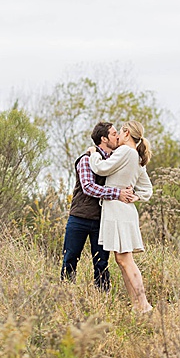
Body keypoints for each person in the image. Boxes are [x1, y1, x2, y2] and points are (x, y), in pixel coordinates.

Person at [61, 122, 137, 293]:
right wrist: (117, 193)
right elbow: (88, 187)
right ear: (104, 139)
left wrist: (132, 190)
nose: (118, 136)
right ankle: (65, 295)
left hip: (102, 220)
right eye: (114, 133)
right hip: (79, 218)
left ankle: (103, 298)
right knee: (70, 258)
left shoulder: (115, 159)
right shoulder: (87, 159)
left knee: (102, 263)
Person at [90, 122, 154, 315]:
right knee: (121, 259)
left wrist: (93, 153)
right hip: (120, 210)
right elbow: (147, 189)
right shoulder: (135, 156)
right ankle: (136, 305)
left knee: (126, 260)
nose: (117, 135)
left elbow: (101, 168)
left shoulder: (126, 151)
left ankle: (144, 305)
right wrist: (137, 196)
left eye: (120, 131)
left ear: (126, 133)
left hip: (118, 211)